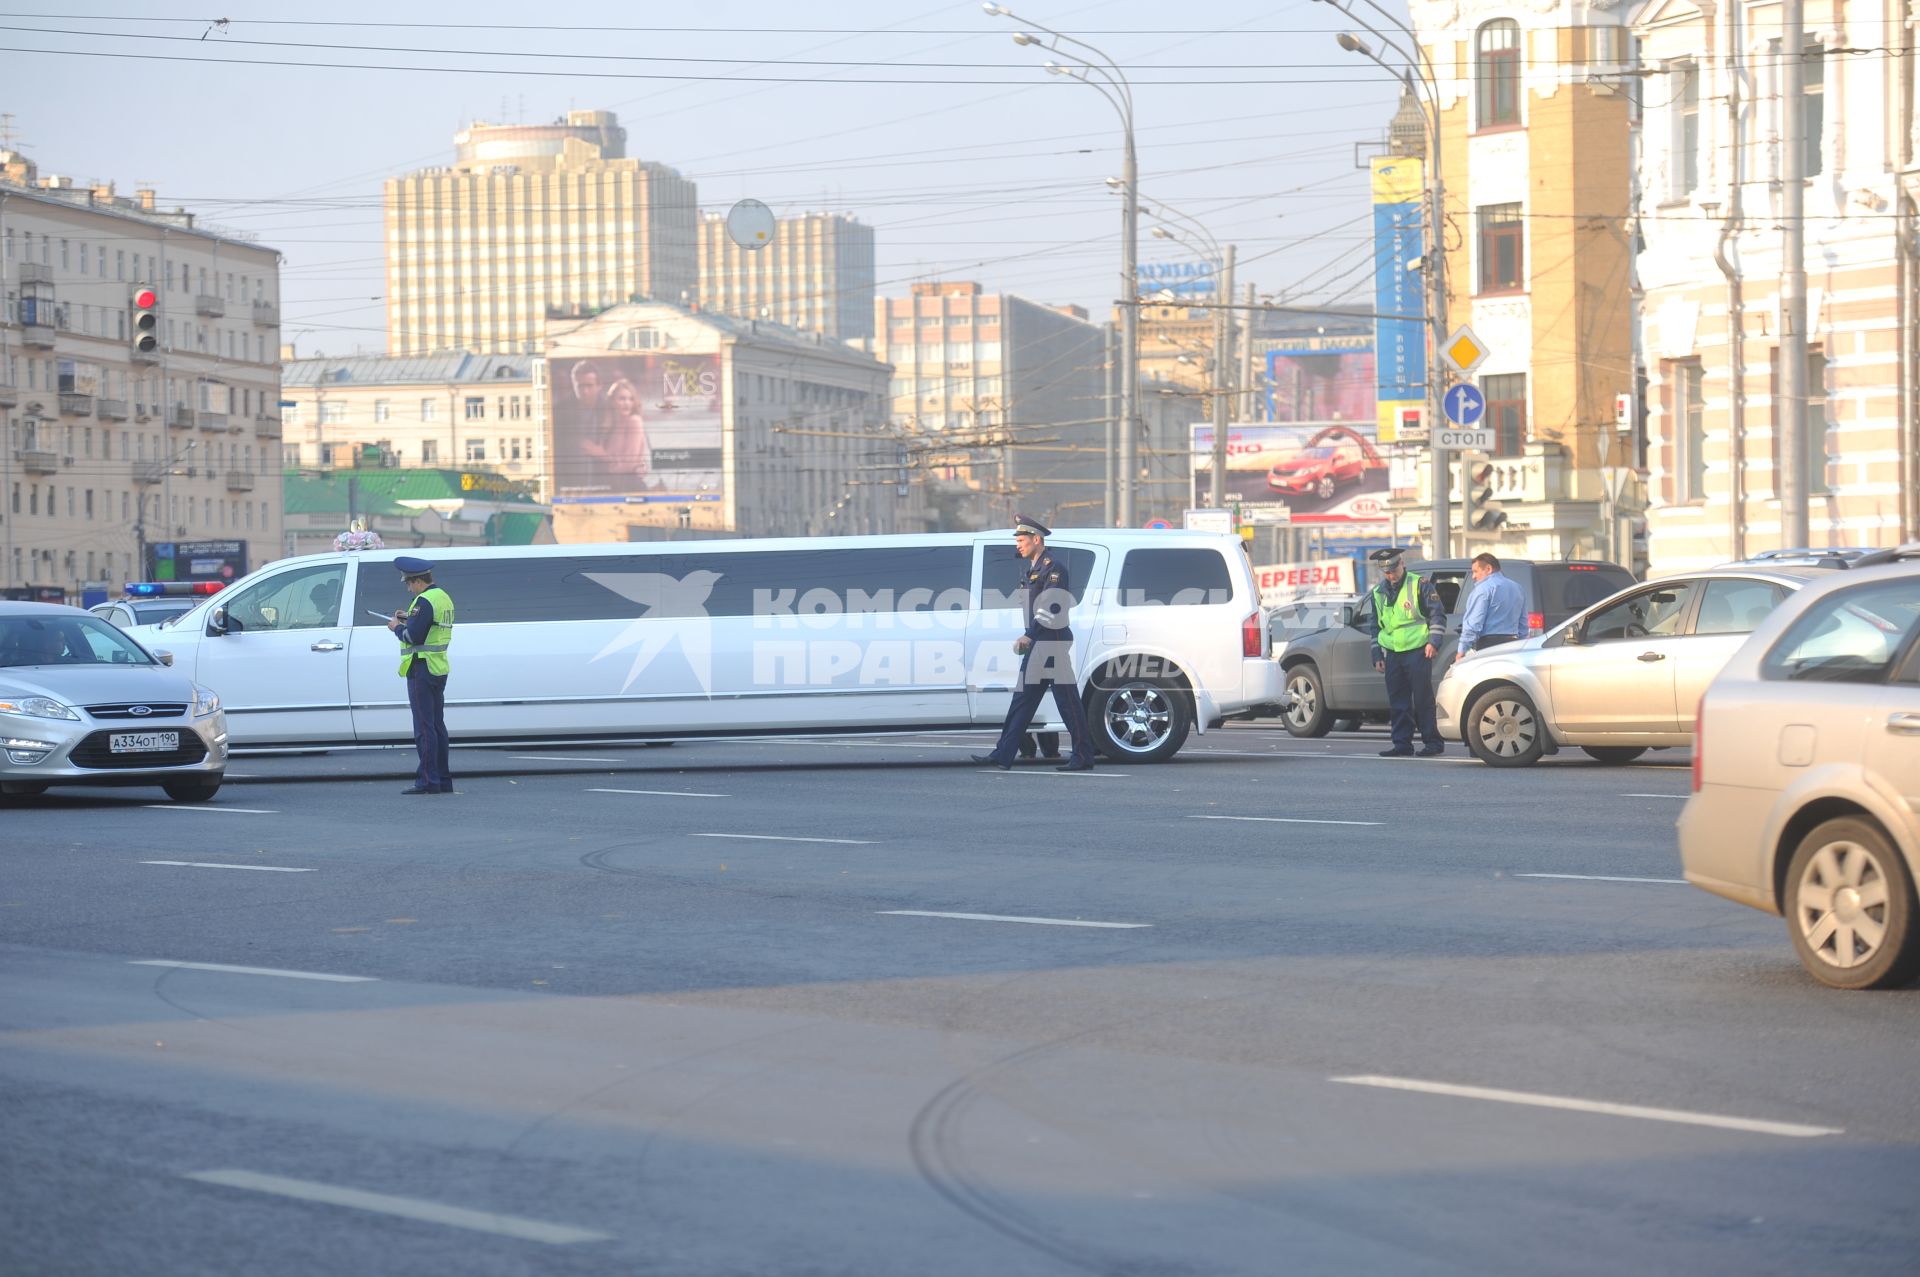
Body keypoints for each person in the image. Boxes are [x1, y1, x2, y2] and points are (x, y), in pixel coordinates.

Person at [971, 515, 1097, 772]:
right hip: (1040, 642)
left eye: (1021, 540)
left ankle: (1083, 755)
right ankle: (1003, 753)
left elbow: (1052, 606)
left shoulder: (1054, 568)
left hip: (1052, 642)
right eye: (1017, 540)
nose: (1018, 545)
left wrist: (1030, 634)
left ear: (1036, 539)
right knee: (1022, 701)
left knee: (1067, 702)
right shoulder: (1033, 569)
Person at [1361, 547, 1446, 758]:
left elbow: (1437, 615)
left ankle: (1433, 743)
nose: (1391, 575)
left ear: (1402, 564)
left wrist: (1433, 643)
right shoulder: (1378, 593)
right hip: (1393, 653)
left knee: (1423, 699)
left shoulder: (1420, 585)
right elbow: (1375, 626)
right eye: (1387, 572)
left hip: (1418, 651)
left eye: (1394, 570)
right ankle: (1402, 744)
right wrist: (1377, 655)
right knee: (1398, 701)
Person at [387, 556, 455, 795]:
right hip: (438, 668)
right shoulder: (442, 597)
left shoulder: (423, 601)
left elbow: (412, 637)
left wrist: (397, 627)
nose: (408, 588)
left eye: (408, 583)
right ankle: (443, 780)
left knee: (424, 728)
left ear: (416, 581)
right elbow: (430, 626)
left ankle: (428, 781)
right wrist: (408, 618)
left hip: (421, 668)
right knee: (437, 726)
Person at [1454, 552, 1527, 658]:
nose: (1473, 576)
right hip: (1513, 644)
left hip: (1489, 646)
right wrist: (1522, 644)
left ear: (1488, 569)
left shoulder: (1483, 589)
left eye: (1475, 571)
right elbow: (1523, 624)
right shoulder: (1517, 588)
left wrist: (1462, 650)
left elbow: (1474, 624)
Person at [581, 377, 651, 480]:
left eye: (631, 399)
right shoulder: (611, 423)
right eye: (622, 399)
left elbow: (628, 465)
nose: (627, 403)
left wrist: (601, 454)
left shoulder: (634, 421)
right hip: (614, 484)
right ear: (612, 401)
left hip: (628, 485)